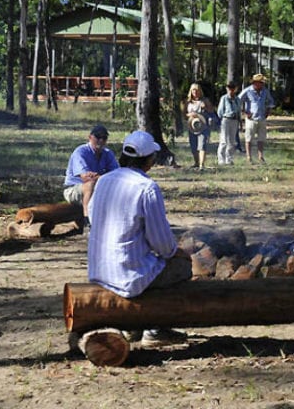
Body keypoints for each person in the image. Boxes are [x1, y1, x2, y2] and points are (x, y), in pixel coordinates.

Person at [87, 130, 192, 346]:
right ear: (150, 161)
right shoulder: (147, 188)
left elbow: (91, 215)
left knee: (157, 265)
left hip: (99, 270)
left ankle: (132, 325)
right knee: (181, 266)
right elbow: (162, 244)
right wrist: (177, 252)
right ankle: (155, 328)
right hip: (127, 274)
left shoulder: (104, 180)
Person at [63, 124, 119, 231]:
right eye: (98, 137)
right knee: (90, 184)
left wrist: (98, 176)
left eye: (104, 138)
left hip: (98, 188)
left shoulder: (108, 154)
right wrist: (105, 177)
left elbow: (116, 176)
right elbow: (86, 178)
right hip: (73, 190)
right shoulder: (80, 152)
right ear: (90, 137)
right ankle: (87, 219)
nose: (101, 140)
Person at [239, 73, 275, 164]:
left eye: (262, 82)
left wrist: (268, 110)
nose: (262, 84)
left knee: (261, 138)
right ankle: (249, 157)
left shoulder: (265, 91)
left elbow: (271, 101)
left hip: (262, 117)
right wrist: (245, 112)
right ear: (255, 83)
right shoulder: (247, 91)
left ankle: (260, 156)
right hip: (251, 119)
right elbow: (238, 101)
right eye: (261, 82)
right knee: (249, 138)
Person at [184, 83, 212, 170]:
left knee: (202, 144)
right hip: (192, 125)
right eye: (193, 90)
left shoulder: (205, 100)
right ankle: (196, 162)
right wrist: (190, 115)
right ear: (191, 91)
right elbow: (184, 114)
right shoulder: (188, 102)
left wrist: (205, 108)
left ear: (200, 91)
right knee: (193, 145)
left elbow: (211, 111)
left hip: (202, 125)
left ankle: (201, 165)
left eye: (197, 90)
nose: (195, 92)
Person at [216, 80, 241, 165]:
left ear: (236, 89)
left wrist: (239, 121)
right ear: (227, 88)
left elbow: (239, 111)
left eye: (233, 88)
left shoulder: (237, 99)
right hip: (226, 119)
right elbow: (220, 112)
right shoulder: (224, 98)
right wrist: (223, 119)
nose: (231, 90)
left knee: (232, 141)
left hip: (235, 120)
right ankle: (221, 159)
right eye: (229, 88)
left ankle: (229, 159)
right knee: (224, 140)